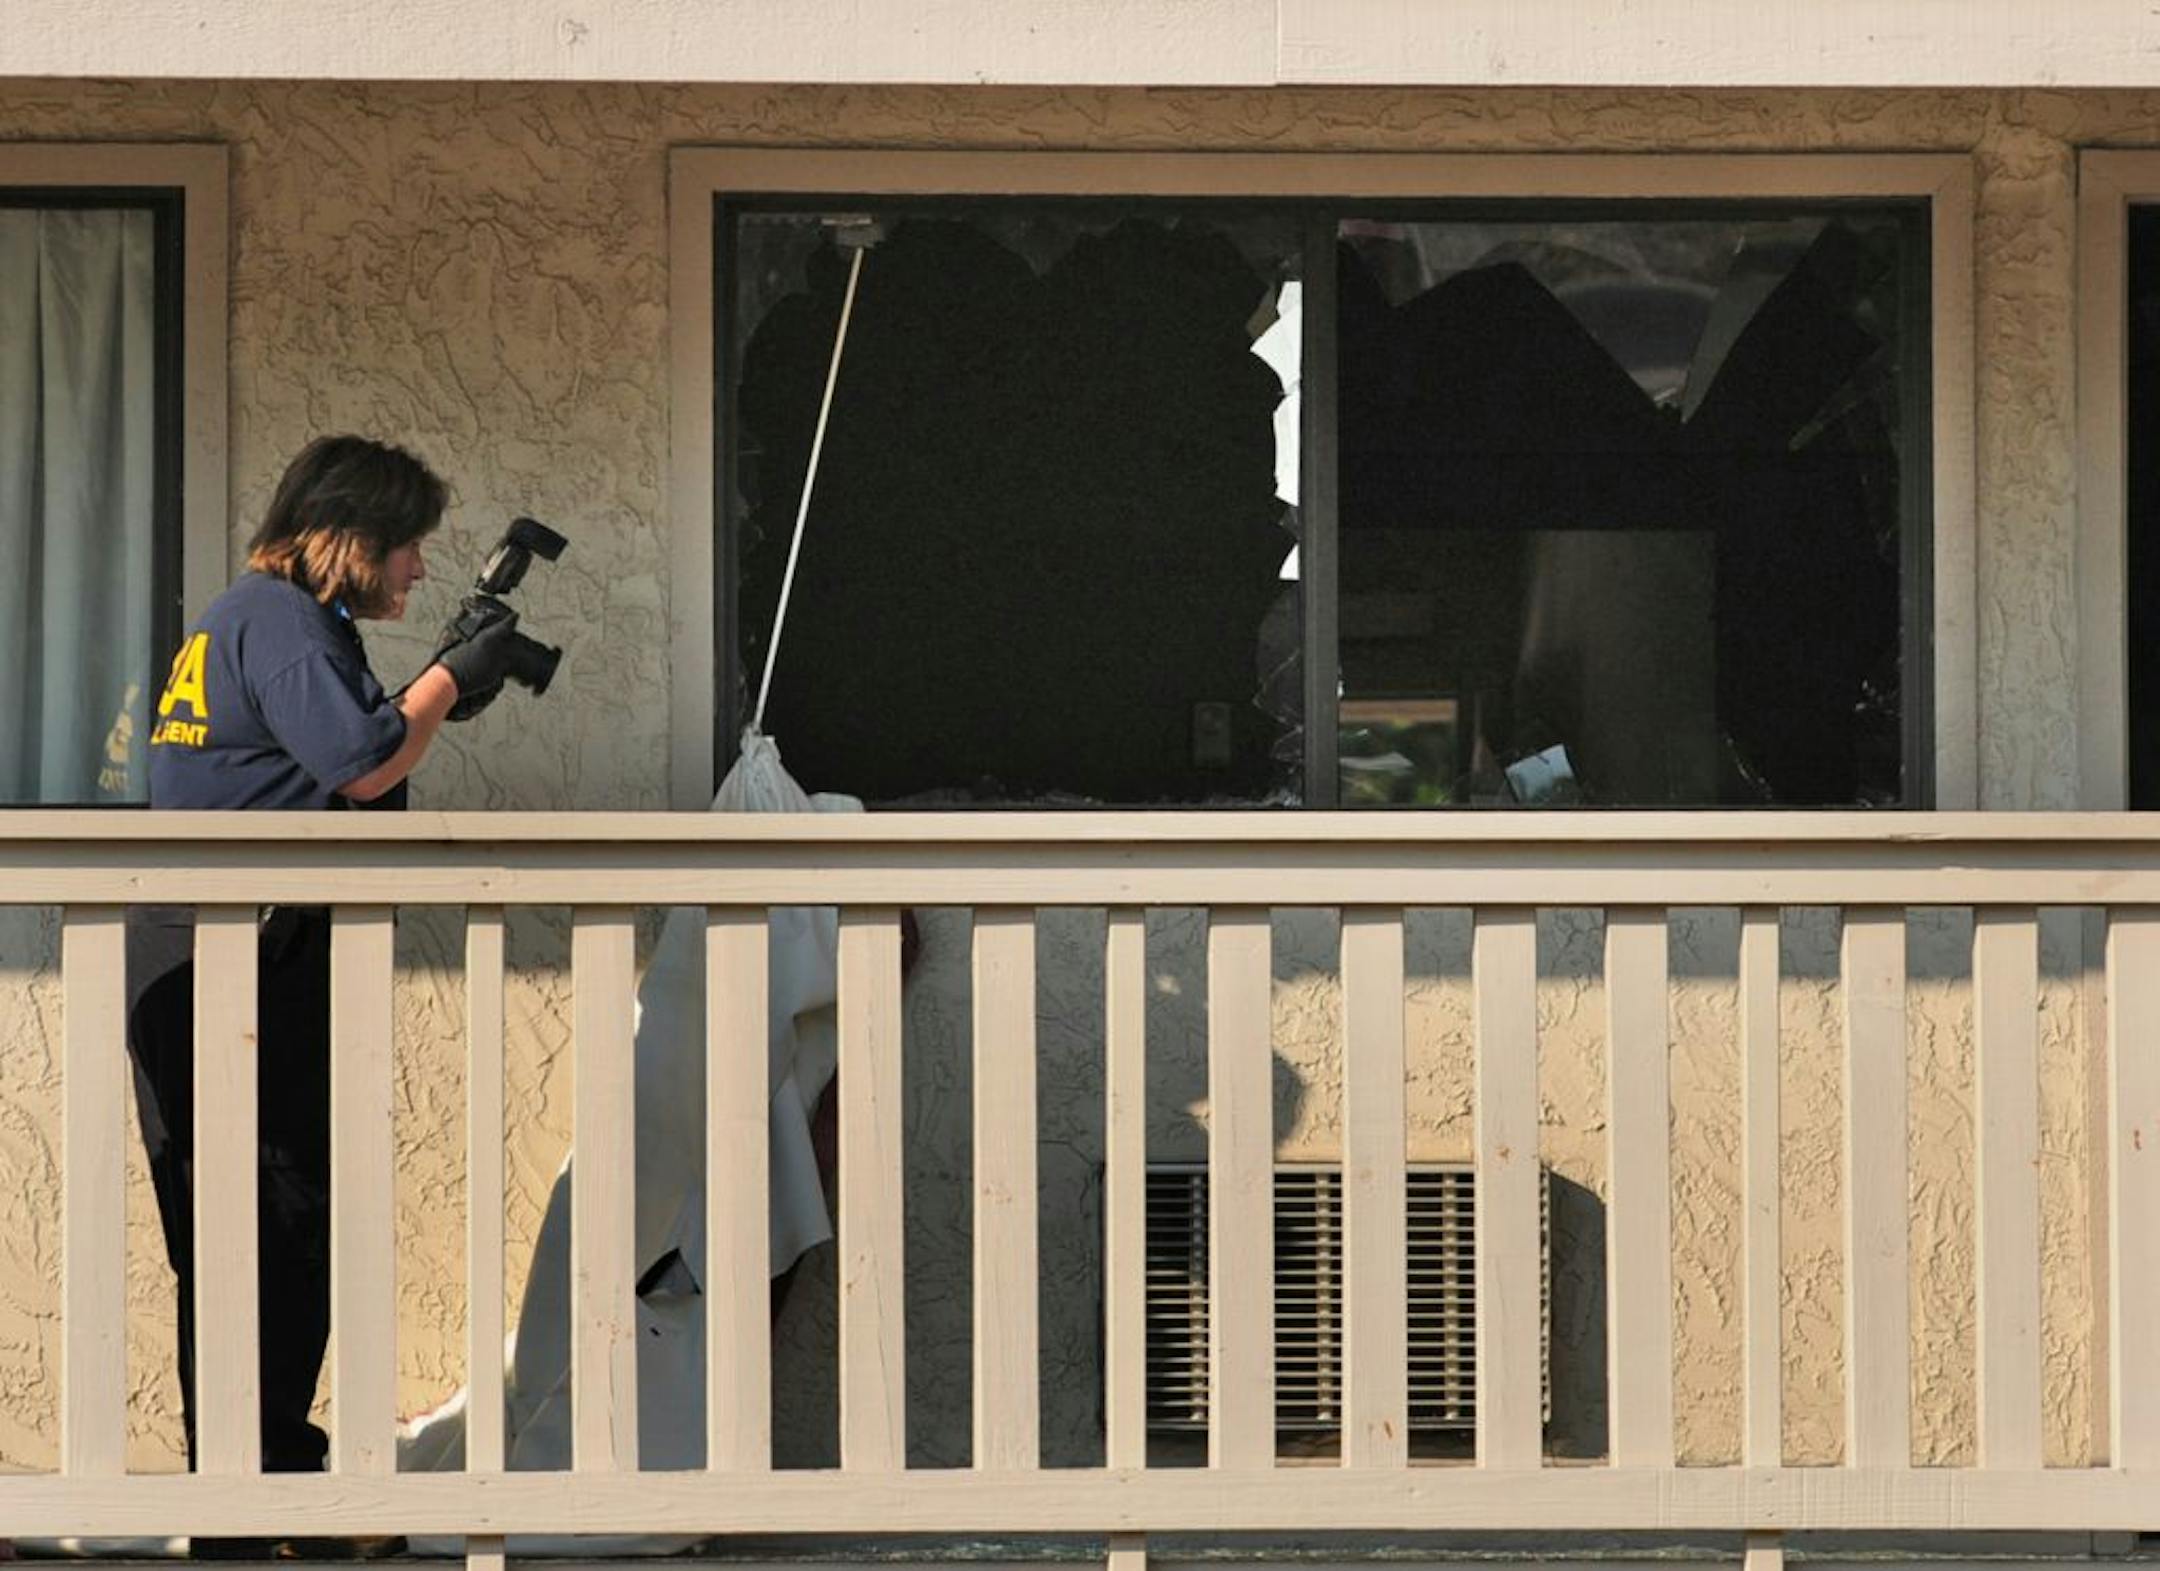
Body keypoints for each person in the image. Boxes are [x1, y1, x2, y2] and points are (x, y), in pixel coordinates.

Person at [125, 435, 527, 1473]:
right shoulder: (282, 617)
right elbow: (357, 765)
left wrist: (428, 702)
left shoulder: (268, 621)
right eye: (408, 547)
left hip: (227, 948)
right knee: (263, 1224)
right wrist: (446, 677)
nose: (419, 569)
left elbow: (347, 757)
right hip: (243, 950)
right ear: (355, 536)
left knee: (261, 1229)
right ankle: (257, 1494)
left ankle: (262, 1480)